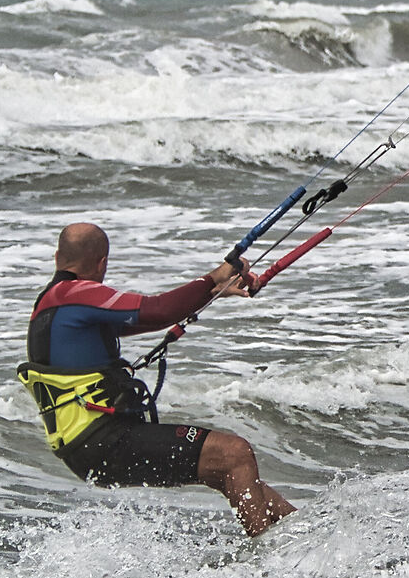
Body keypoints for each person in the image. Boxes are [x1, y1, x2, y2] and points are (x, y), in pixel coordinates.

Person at [17, 222, 295, 536]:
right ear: (102, 263)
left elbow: (152, 316)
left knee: (229, 471)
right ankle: (266, 559)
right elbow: (158, 310)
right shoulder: (75, 294)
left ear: (57, 256)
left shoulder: (50, 307)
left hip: (86, 449)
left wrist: (210, 293)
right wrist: (212, 277)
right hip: (103, 438)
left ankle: (301, 533)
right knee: (235, 453)